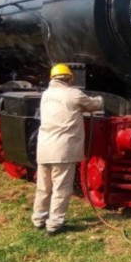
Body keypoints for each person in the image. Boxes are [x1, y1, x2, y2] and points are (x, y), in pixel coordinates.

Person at [32, 64, 104, 236]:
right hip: (62, 150)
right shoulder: (73, 94)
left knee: (43, 186)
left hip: (44, 148)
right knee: (61, 188)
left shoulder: (46, 95)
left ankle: (38, 219)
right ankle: (54, 224)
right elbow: (94, 105)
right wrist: (101, 99)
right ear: (69, 78)